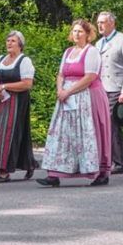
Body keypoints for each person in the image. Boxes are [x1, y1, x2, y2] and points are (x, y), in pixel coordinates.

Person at [38, 19, 111, 187]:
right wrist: (60, 90)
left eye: (80, 31)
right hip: (67, 98)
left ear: (88, 34)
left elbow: (90, 77)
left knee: (89, 133)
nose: (76, 34)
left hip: (87, 97)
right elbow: (61, 74)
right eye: (74, 31)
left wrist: (68, 91)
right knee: (62, 135)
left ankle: (100, 173)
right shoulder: (68, 52)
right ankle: (54, 174)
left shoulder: (91, 52)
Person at [0, 30, 38, 183]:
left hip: (17, 102)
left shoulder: (24, 61)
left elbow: (27, 84)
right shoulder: (1, 59)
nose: (9, 43)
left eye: (13, 41)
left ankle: (4, 172)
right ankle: (29, 163)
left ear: (20, 45)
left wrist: (4, 86)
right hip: (1, 101)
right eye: (8, 40)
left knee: (9, 133)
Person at [96, 11, 123, 174]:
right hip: (101, 89)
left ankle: (119, 163)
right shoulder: (98, 44)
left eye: (103, 22)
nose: (99, 25)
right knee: (104, 125)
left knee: (112, 125)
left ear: (112, 23)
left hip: (116, 89)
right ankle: (110, 161)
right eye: (98, 22)